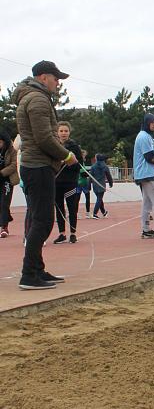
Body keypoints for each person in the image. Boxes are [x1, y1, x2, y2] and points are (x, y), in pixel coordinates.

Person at [13, 60, 78, 289]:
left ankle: (37, 270)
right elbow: (44, 138)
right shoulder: (38, 99)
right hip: (38, 167)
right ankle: (29, 274)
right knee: (42, 221)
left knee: (41, 219)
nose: (57, 82)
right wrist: (66, 155)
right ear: (43, 77)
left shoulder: (33, 97)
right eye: (55, 77)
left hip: (37, 167)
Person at [52, 122, 82, 244]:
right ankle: (62, 233)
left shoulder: (74, 146)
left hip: (70, 182)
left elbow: (79, 164)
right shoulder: (53, 146)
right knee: (59, 208)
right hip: (56, 182)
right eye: (61, 131)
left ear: (69, 132)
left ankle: (73, 233)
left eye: (66, 131)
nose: (63, 133)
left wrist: (68, 163)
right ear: (57, 132)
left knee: (72, 207)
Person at [0, 131, 19, 238]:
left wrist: (2, 173)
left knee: (4, 203)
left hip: (7, 180)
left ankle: (4, 227)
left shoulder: (12, 151)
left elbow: (14, 164)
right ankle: (7, 216)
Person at [90, 154, 113, 219]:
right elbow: (108, 176)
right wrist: (111, 183)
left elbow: (90, 177)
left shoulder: (93, 166)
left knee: (99, 199)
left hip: (95, 185)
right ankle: (95, 213)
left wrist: (89, 185)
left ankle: (103, 212)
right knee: (99, 199)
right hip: (101, 185)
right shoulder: (105, 166)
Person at [76, 149, 92, 219]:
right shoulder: (80, 163)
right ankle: (87, 213)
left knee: (78, 199)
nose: (85, 157)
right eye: (84, 155)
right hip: (82, 183)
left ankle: (79, 213)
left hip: (79, 182)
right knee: (85, 198)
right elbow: (83, 174)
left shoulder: (80, 162)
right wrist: (89, 173)